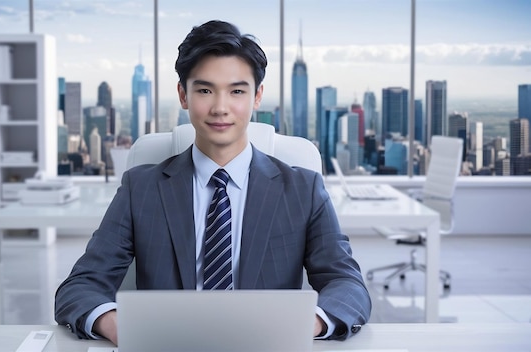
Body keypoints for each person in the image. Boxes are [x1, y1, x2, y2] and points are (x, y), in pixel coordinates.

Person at [55, 19, 371, 344]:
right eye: (205, 90)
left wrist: (306, 324)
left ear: (257, 97)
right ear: (183, 95)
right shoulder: (141, 188)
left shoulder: (303, 190)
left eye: (236, 91)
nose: (220, 108)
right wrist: (120, 327)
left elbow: (348, 285)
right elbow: (80, 286)